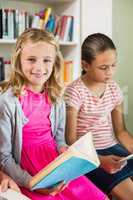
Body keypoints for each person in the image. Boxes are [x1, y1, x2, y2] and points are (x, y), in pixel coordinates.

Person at [0, 28, 108, 200]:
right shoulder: (7, 102)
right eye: (31, 59)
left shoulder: (56, 98)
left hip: (56, 166)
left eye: (46, 60)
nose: (39, 68)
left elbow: (58, 139)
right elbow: (4, 157)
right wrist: (31, 182)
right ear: (18, 61)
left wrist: (64, 150)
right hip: (28, 172)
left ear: (54, 63)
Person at [64, 33, 133, 200]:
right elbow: (71, 140)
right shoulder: (74, 92)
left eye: (113, 65)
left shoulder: (114, 88)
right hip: (89, 155)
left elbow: (121, 131)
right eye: (103, 67)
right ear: (85, 65)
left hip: (114, 148)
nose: (110, 72)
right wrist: (100, 160)